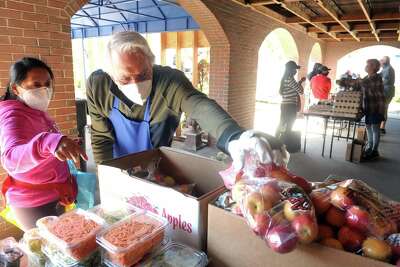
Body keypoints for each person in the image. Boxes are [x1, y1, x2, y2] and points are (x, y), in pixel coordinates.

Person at [86, 31, 288, 171]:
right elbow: (101, 138)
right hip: (116, 164)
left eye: (144, 74)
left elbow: (200, 106)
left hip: (154, 166)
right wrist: (107, 174)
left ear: (151, 62)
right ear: (111, 74)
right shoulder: (98, 86)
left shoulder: (169, 82)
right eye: (125, 78)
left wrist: (234, 137)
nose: (136, 84)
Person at [0, 57, 87, 231]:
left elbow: (45, 145)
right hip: (34, 202)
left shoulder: (35, 111)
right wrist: (47, 142)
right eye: (36, 84)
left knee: (65, 245)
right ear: (16, 88)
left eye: (47, 84)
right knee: (48, 252)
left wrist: (63, 144)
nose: (44, 90)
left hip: (55, 193)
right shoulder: (12, 116)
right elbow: (10, 158)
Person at [360, 59, 386, 160]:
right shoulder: (367, 77)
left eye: (368, 65)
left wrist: (359, 83)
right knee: (368, 127)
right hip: (368, 107)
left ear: (373, 67)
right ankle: (370, 147)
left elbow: (368, 87)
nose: (365, 66)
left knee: (375, 129)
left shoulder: (376, 78)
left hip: (376, 106)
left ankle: (375, 151)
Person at [276, 61, 305, 138]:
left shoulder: (285, 78)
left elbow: (294, 88)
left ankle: (276, 141)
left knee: (282, 124)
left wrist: (300, 82)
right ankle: (284, 143)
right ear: (290, 70)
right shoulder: (290, 79)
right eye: (294, 69)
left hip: (285, 105)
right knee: (289, 126)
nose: (295, 71)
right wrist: (301, 83)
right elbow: (301, 91)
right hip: (290, 106)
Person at [379, 56, 395, 134]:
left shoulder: (388, 69)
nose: (380, 63)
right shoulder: (385, 68)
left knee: (384, 109)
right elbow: (378, 75)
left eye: (381, 61)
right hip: (387, 91)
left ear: (384, 62)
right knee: (384, 109)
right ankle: (381, 127)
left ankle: (382, 127)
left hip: (387, 91)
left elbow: (385, 81)